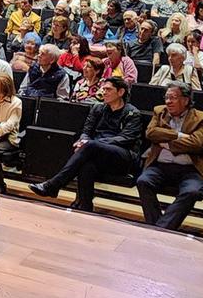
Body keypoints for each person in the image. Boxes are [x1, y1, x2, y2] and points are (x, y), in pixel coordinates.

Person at [30, 77, 143, 211]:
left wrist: (92, 143)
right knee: (87, 166)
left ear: (121, 92)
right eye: (103, 89)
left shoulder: (132, 113)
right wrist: (83, 140)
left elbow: (125, 138)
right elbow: (86, 131)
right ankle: (85, 207)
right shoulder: (98, 108)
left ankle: (54, 185)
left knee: (89, 147)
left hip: (123, 156)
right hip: (96, 153)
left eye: (108, 89)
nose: (104, 92)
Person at [136, 82, 203, 230]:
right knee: (143, 181)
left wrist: (167, 144)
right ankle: (161, 227)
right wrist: (178, 135)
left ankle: (158, 229)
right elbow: (151, 133)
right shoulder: (159, 111)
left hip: (190, 170)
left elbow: (197, 143)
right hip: (160, 166)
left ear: (186, 100)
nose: (168, 101)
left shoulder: (202, 118)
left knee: (192, 191)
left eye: (173, 98)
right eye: (166, 97)